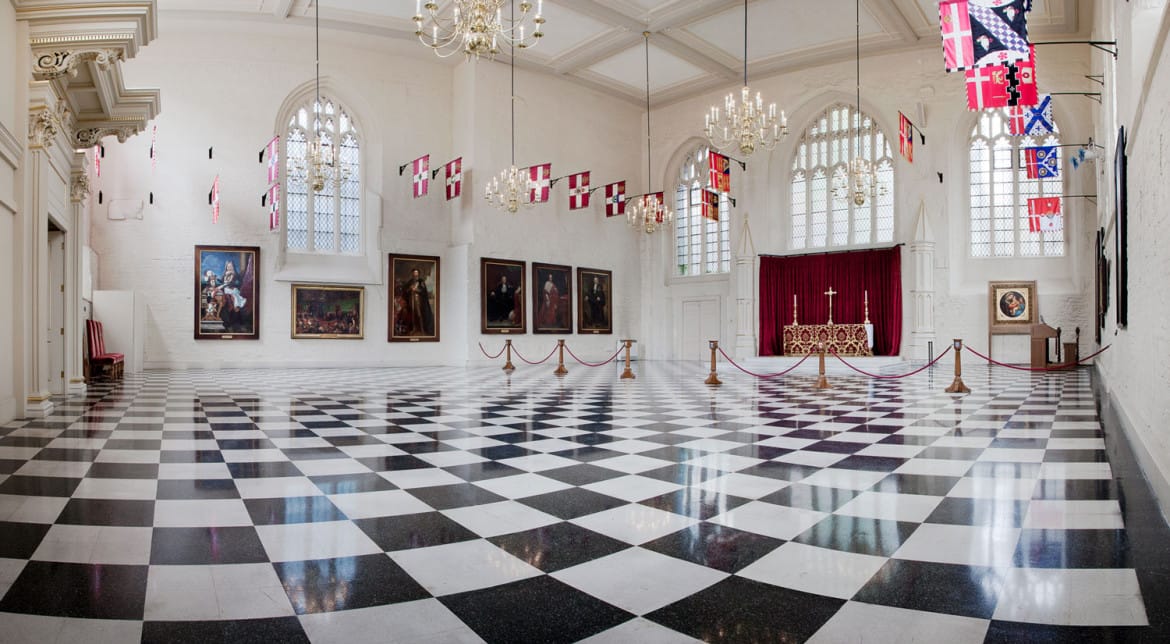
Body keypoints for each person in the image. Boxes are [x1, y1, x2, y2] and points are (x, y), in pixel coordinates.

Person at [403, 267, 434, 335]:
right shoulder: (410, 282)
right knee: (413, 315)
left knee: (420, 314)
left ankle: (422, 329)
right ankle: (414, 328)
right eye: (414, 273)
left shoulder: (421, 281)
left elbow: (423, 291)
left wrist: (416, 290)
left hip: (419, 301)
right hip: (412, 301)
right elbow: (406, 291)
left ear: (418, 274)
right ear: (412, 274)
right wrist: (410, 289)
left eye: (416, 273)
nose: (415, 274)